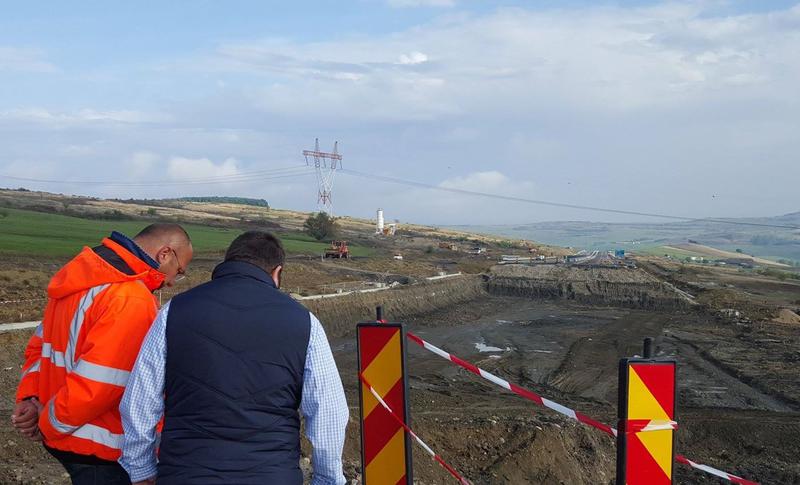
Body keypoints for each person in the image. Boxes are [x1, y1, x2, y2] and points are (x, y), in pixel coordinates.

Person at [120, 231, 349, 485]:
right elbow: (328, 413)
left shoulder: (173, 312)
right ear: (277, 272)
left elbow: (140, 401)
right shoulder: (305, 323)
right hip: (271, 476)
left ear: (228, 263)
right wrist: (327, 479)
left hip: (186, 474)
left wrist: (141, 468)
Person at [11, 224, 193, 485]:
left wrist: (29, 398)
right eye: (179, 271)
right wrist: (47, 423)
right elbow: (100, 384)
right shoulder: (131, 297)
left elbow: (39, 349)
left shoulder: (75, 281)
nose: (173, 281)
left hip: (66, 438)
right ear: (165, 254)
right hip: (98, 446)